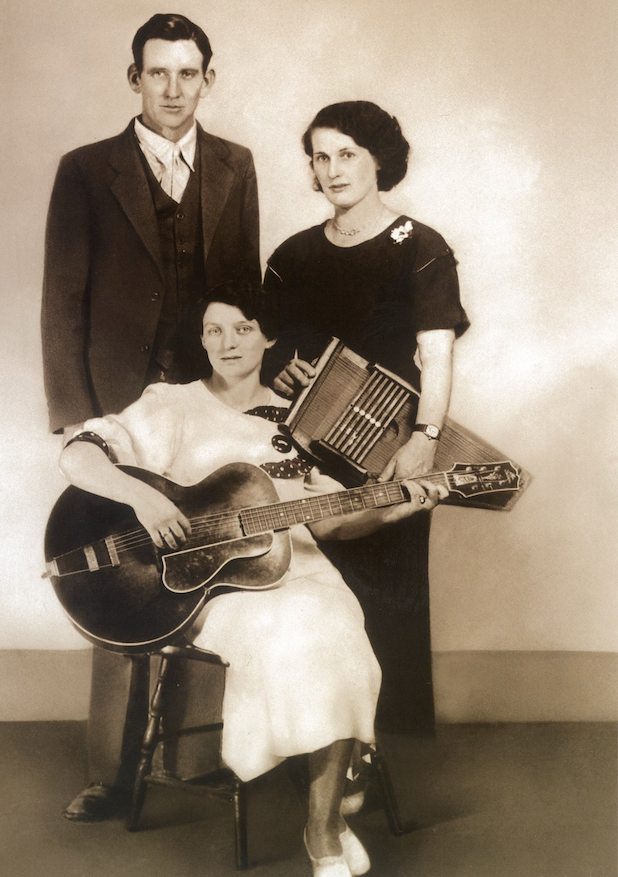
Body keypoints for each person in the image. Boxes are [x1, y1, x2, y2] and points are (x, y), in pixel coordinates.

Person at [58, 281, 446, 876]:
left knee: (331, 623)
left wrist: (398, 505)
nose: (227, 342)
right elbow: (79, 456)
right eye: (214, 329)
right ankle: (338, 799)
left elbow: (335, 522)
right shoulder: (169, 405)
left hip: (299, 570)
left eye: (243, 328)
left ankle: (322, 828)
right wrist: (143, 499)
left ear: (269, 337)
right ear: (202, 340)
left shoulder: (295, 422)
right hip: (212, 586)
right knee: (293, 633)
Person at [264, 101, 469, 742]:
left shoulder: (422, 248)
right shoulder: (292, 255)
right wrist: (280, 370)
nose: (332, 169)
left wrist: (425, 440)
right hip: (304, 455)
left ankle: (380, 754)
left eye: (347, 153)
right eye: (320, 157)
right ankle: (318, 743)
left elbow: (436, 351)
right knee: (312, 597)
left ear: (380, 159)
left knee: (387, 596)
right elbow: (265, 349)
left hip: (390, 445)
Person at [41, 12, 260, 437]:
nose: (174, 91)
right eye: (158, 72)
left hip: (212, 389)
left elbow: (246, 288)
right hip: (115, 396)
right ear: (135, 78)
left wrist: (247, 391)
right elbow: (61, 305)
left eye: (187, 74)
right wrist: (75, 417)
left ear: (207, 81)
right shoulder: (84, 170)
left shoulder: (237, 164)